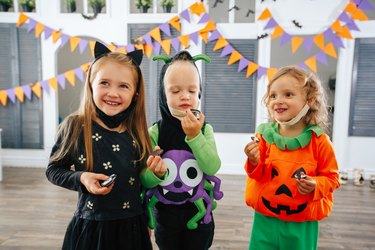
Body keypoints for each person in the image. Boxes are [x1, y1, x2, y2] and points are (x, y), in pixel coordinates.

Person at [46, 41, 167, 250]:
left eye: (123, 86)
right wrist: (82, 177)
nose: (113, 92)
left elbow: (141, 183)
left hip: (132, 227)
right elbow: (54, 170)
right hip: (92, 227)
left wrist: (155, 173)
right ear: (91, 85)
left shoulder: (138, 133)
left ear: (135, 95)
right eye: (104, 83)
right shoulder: (75, 127)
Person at [243, 65, 340, 250]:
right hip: (265, 219)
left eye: (288, 94)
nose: (278, 100)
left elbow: (332, 178)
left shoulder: (320, 142)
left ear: (310, 100)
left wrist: (316, 184)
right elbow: (257, 174)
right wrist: (253, 161)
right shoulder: (264, 136)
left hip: (301, 222)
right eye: (273, 95)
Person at [148, 51, 223, 250]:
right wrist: (153, 172)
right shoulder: (155, 131)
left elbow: (212, 167)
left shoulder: (205, 129)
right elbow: (144, 180)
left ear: (199, 93)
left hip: (198, 216)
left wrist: (195, 136)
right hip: (165, 216)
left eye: (192, 90)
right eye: (175, 91)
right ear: (163, 95)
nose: (185, 96)